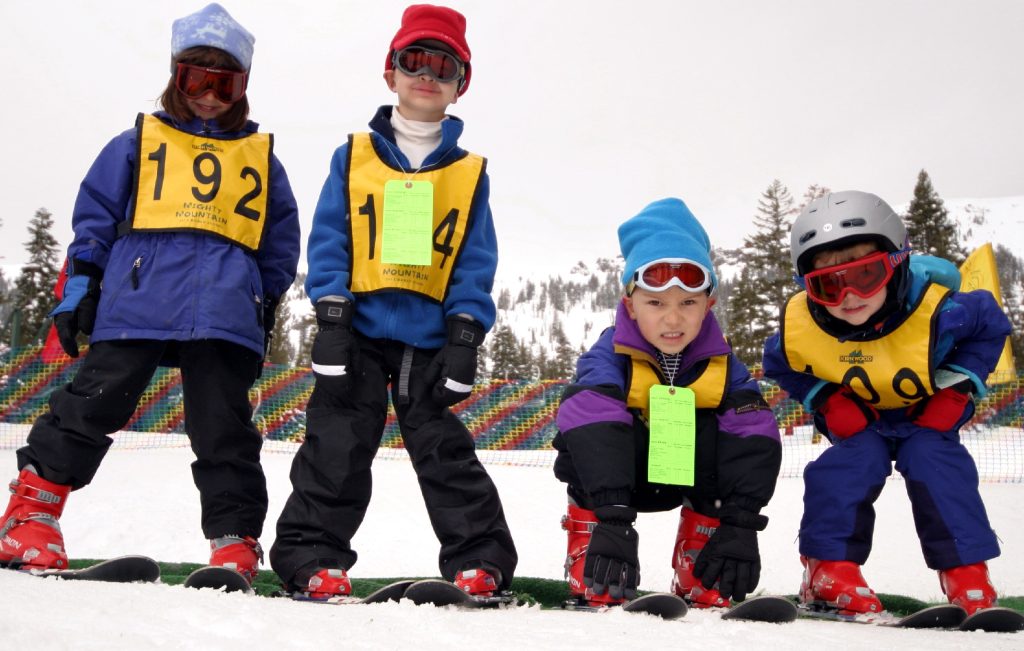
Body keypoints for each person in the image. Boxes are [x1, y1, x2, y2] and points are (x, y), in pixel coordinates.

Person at [0, 3, 300, 586]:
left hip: (221, 315)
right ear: (175, 75)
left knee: (225, 426)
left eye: (224, 81)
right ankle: (30, 516)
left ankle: (234, 540)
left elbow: (279, 243)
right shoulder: (139, 141)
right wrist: (79, 290)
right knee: (93, 402)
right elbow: (95, 221)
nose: (209, 93)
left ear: (242, 86)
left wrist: (258, 303)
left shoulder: (261, 159)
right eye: (195, 77)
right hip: (136, 301)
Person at [270, 4, 517, 600]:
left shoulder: (467, 172)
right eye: (415, 60)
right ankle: (311, 557)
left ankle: (479, 561)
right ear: (391, 72)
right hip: (357, 331)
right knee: (336, 444)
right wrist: (330, 316)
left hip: (428, 340)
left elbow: (473, 260)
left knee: (444, 452)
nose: (427, 75)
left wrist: (464, 337)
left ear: (461, 86)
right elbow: (330, 238)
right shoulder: (354, 156)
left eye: (444, 66)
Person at [762, 191, 1011, 616]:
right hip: (862, 422)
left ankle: (966, 571)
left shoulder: (943, 311)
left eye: (865, 276)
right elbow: (779, 364)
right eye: (828, 284)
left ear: (897, 264)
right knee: (843, 468)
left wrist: (958, 387)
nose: (848, 297)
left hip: (926, 415)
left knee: (937, 462)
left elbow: (990, 326)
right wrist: (826, 398)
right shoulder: (802, 329)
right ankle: (828, 569)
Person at [553, 198, 782, 608]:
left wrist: (741, 523)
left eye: (688, 303)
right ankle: (591, 543)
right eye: (656, 303)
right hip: (618, 490)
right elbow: (592, 420)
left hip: (691, 479)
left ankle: (703, 556)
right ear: (630, 304)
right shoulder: (609, 356)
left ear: (708, 305)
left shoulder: (724, 365)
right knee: (586, 417)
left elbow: (754, 434)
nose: (673, 320)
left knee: (740, 423)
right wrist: (614, 516)